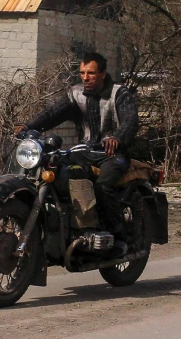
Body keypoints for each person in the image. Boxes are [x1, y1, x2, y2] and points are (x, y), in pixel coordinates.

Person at [15, 52, 139, 237]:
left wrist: (117, 138)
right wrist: (28, 126)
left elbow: (130, 120)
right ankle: (73, 225)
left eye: (91, 73)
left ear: (103, 74)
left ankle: (117, 233)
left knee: (103, 186)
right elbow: (52, 113)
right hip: (83, 151)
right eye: (82, 73)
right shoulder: (76, 94)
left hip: (113, 155)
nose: (85, 77)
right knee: (57, 175)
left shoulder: (119, 93)